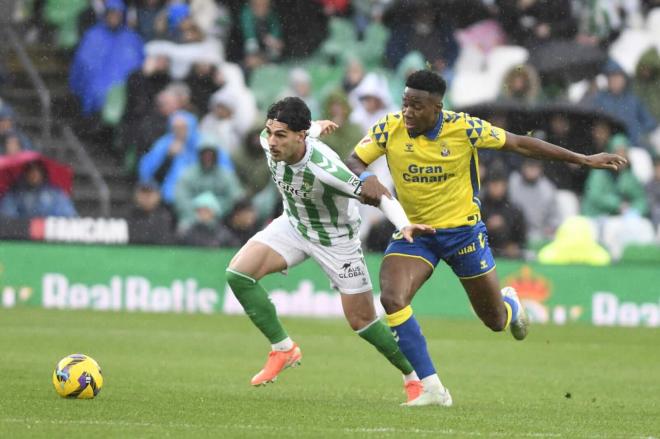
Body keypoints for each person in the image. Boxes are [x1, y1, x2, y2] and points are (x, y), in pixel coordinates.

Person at [345, 69, 627, 406]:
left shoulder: (463, 127)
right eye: (405, 104)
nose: (407, 112)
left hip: (463, 233)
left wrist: (581, 158)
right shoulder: (388, 128)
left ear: (437, 108)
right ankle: (433, 388)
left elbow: (521, 144)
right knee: (392, 298)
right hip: (416, 232)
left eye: (417, 106)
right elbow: (354, 160)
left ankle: (509, 302)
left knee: (494, 321)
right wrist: (364, 178)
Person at [225, 97, 434, 404]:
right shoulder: (271, 143)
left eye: (280, 135)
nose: (271, 141)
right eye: (269, 133)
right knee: (238, 274)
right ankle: (283, 349)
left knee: (362, 320)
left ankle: (412, 377)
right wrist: (317, 127)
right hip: (294, 226)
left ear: (298, 135)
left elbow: (378, 195)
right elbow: (302, 133)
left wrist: (403, 224)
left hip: (336, 239)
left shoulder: (327, 171)